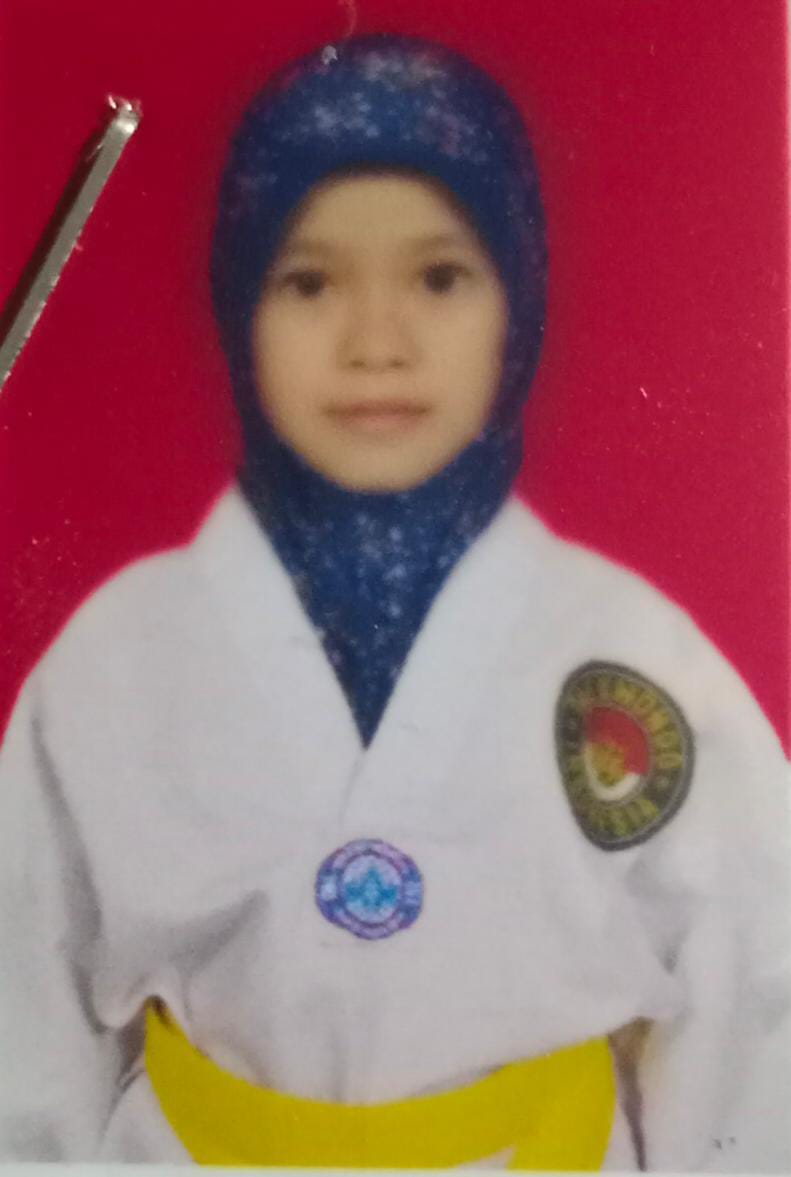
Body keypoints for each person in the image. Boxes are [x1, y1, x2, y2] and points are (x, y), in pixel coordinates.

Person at [0, 33, 788, 1170]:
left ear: (518, 301)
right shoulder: (118, 661)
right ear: (238, 305)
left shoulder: (632, 659)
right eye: (310, 282)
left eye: (439, 278)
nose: (376, 344)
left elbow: (755, 1004)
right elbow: (24, 1017)